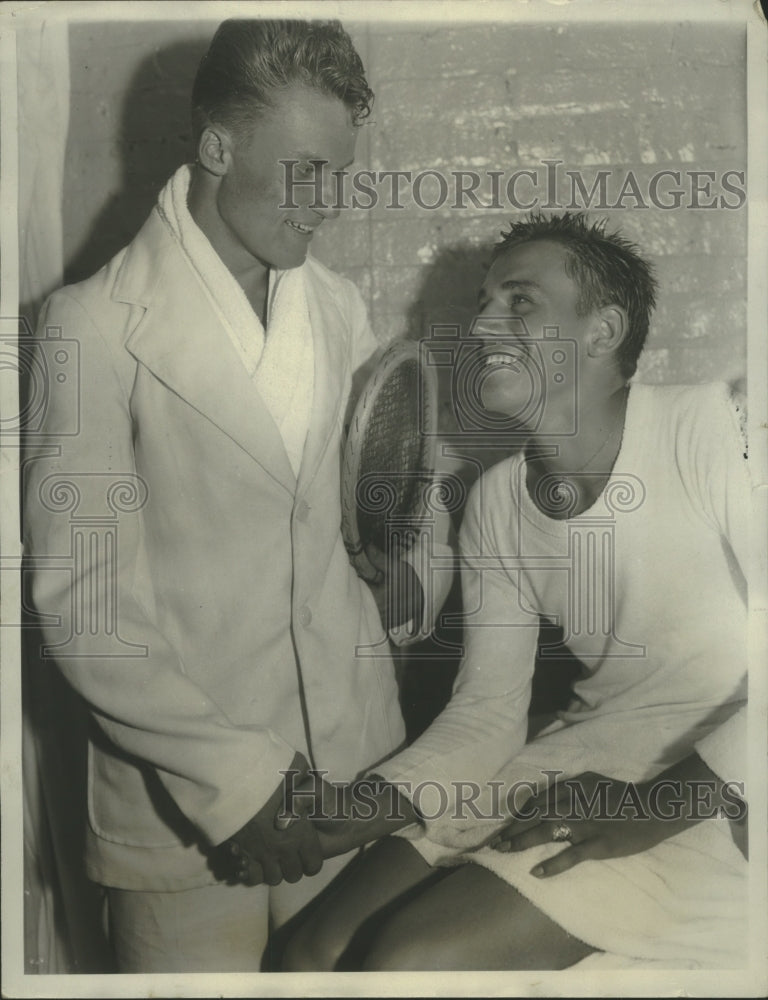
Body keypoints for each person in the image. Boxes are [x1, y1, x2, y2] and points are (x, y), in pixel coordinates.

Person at [23, 19, 450, 973]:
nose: (328, 203)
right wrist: (247, 789)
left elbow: (389, 516)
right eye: (306, 170)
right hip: (185, 825)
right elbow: (88, 611)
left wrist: (406, 572)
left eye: (340, 173)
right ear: (217, 146)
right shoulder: (88, 326)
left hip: (347, 791)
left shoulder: (336, 307)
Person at [281, 212, 751, 971]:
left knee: (408, 961)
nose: (483, 324)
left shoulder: (718, 432)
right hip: (586, 754)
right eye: (483, 301)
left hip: (722, 780)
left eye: (520, 302)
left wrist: (651, 806)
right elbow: (487, 714)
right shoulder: (496, 499)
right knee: (310, 955)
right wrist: (357, 811)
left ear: (601, 332)